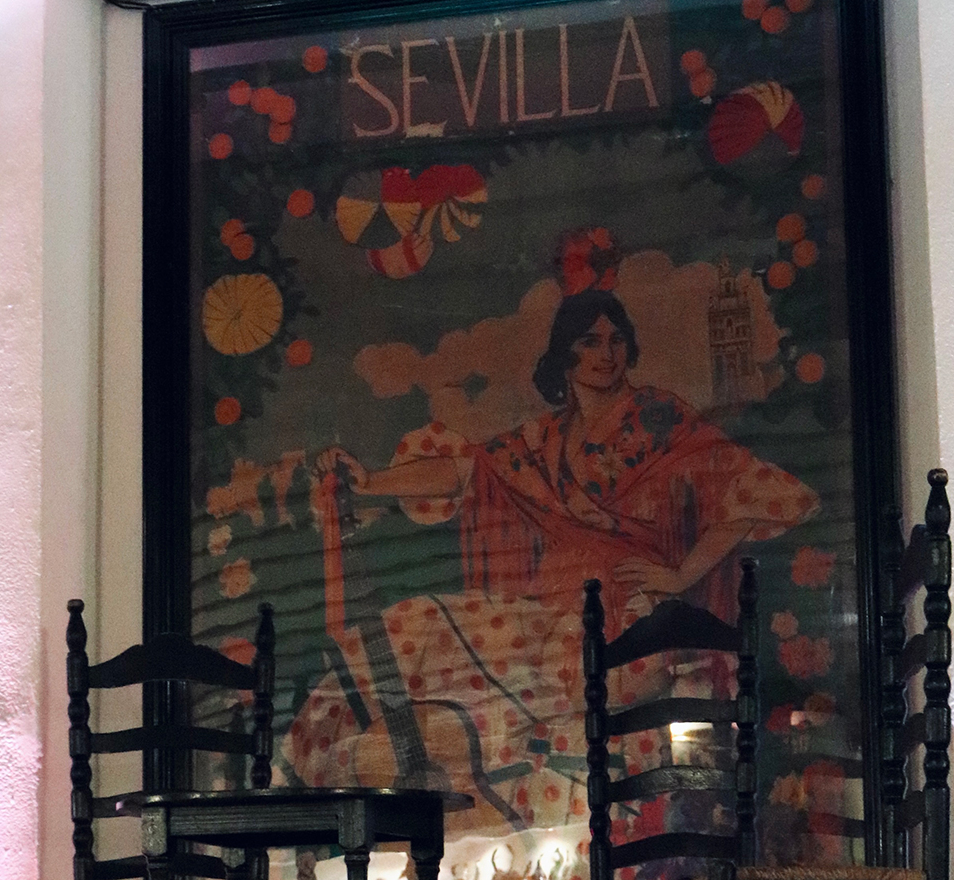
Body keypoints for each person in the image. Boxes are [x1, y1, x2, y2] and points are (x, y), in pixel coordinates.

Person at [288, 240, 818, 840]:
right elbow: (467, 470)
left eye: (615, 340)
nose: (605, 354)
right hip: (544, 616)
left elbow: (750, 490)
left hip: (624, 623)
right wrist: (371, 482)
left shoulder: (659, 417)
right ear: (565, 355)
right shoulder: (543, 439)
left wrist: (679, 576)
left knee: (505, 708)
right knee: (421, 622)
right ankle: (338, 771)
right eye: (589, 341)